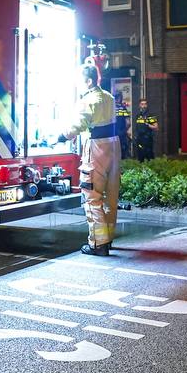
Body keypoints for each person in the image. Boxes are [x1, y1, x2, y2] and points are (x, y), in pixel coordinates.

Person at [59, 63, 119, 255]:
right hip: (113, 146)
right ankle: (107, 239)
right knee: (110, 197)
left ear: (89, 80)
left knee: (91, 195)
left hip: (96, 148)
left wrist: (61, 136)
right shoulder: (109, 97)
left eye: (81, 81)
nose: (79, 84)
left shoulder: (88, 100)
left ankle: (98, 244)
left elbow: (76, 126)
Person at [133, 98, 159, 162]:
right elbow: (136, 127)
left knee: (149, 156)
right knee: (140, 155)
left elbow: (156, 127)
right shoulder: (138, 116)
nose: (144, 106)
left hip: (148, 139)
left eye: (145, 104)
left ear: (147, 105)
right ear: (139, 105)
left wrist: (148, 124)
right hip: (139, 139)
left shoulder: (150, 115)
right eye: (142, 104)